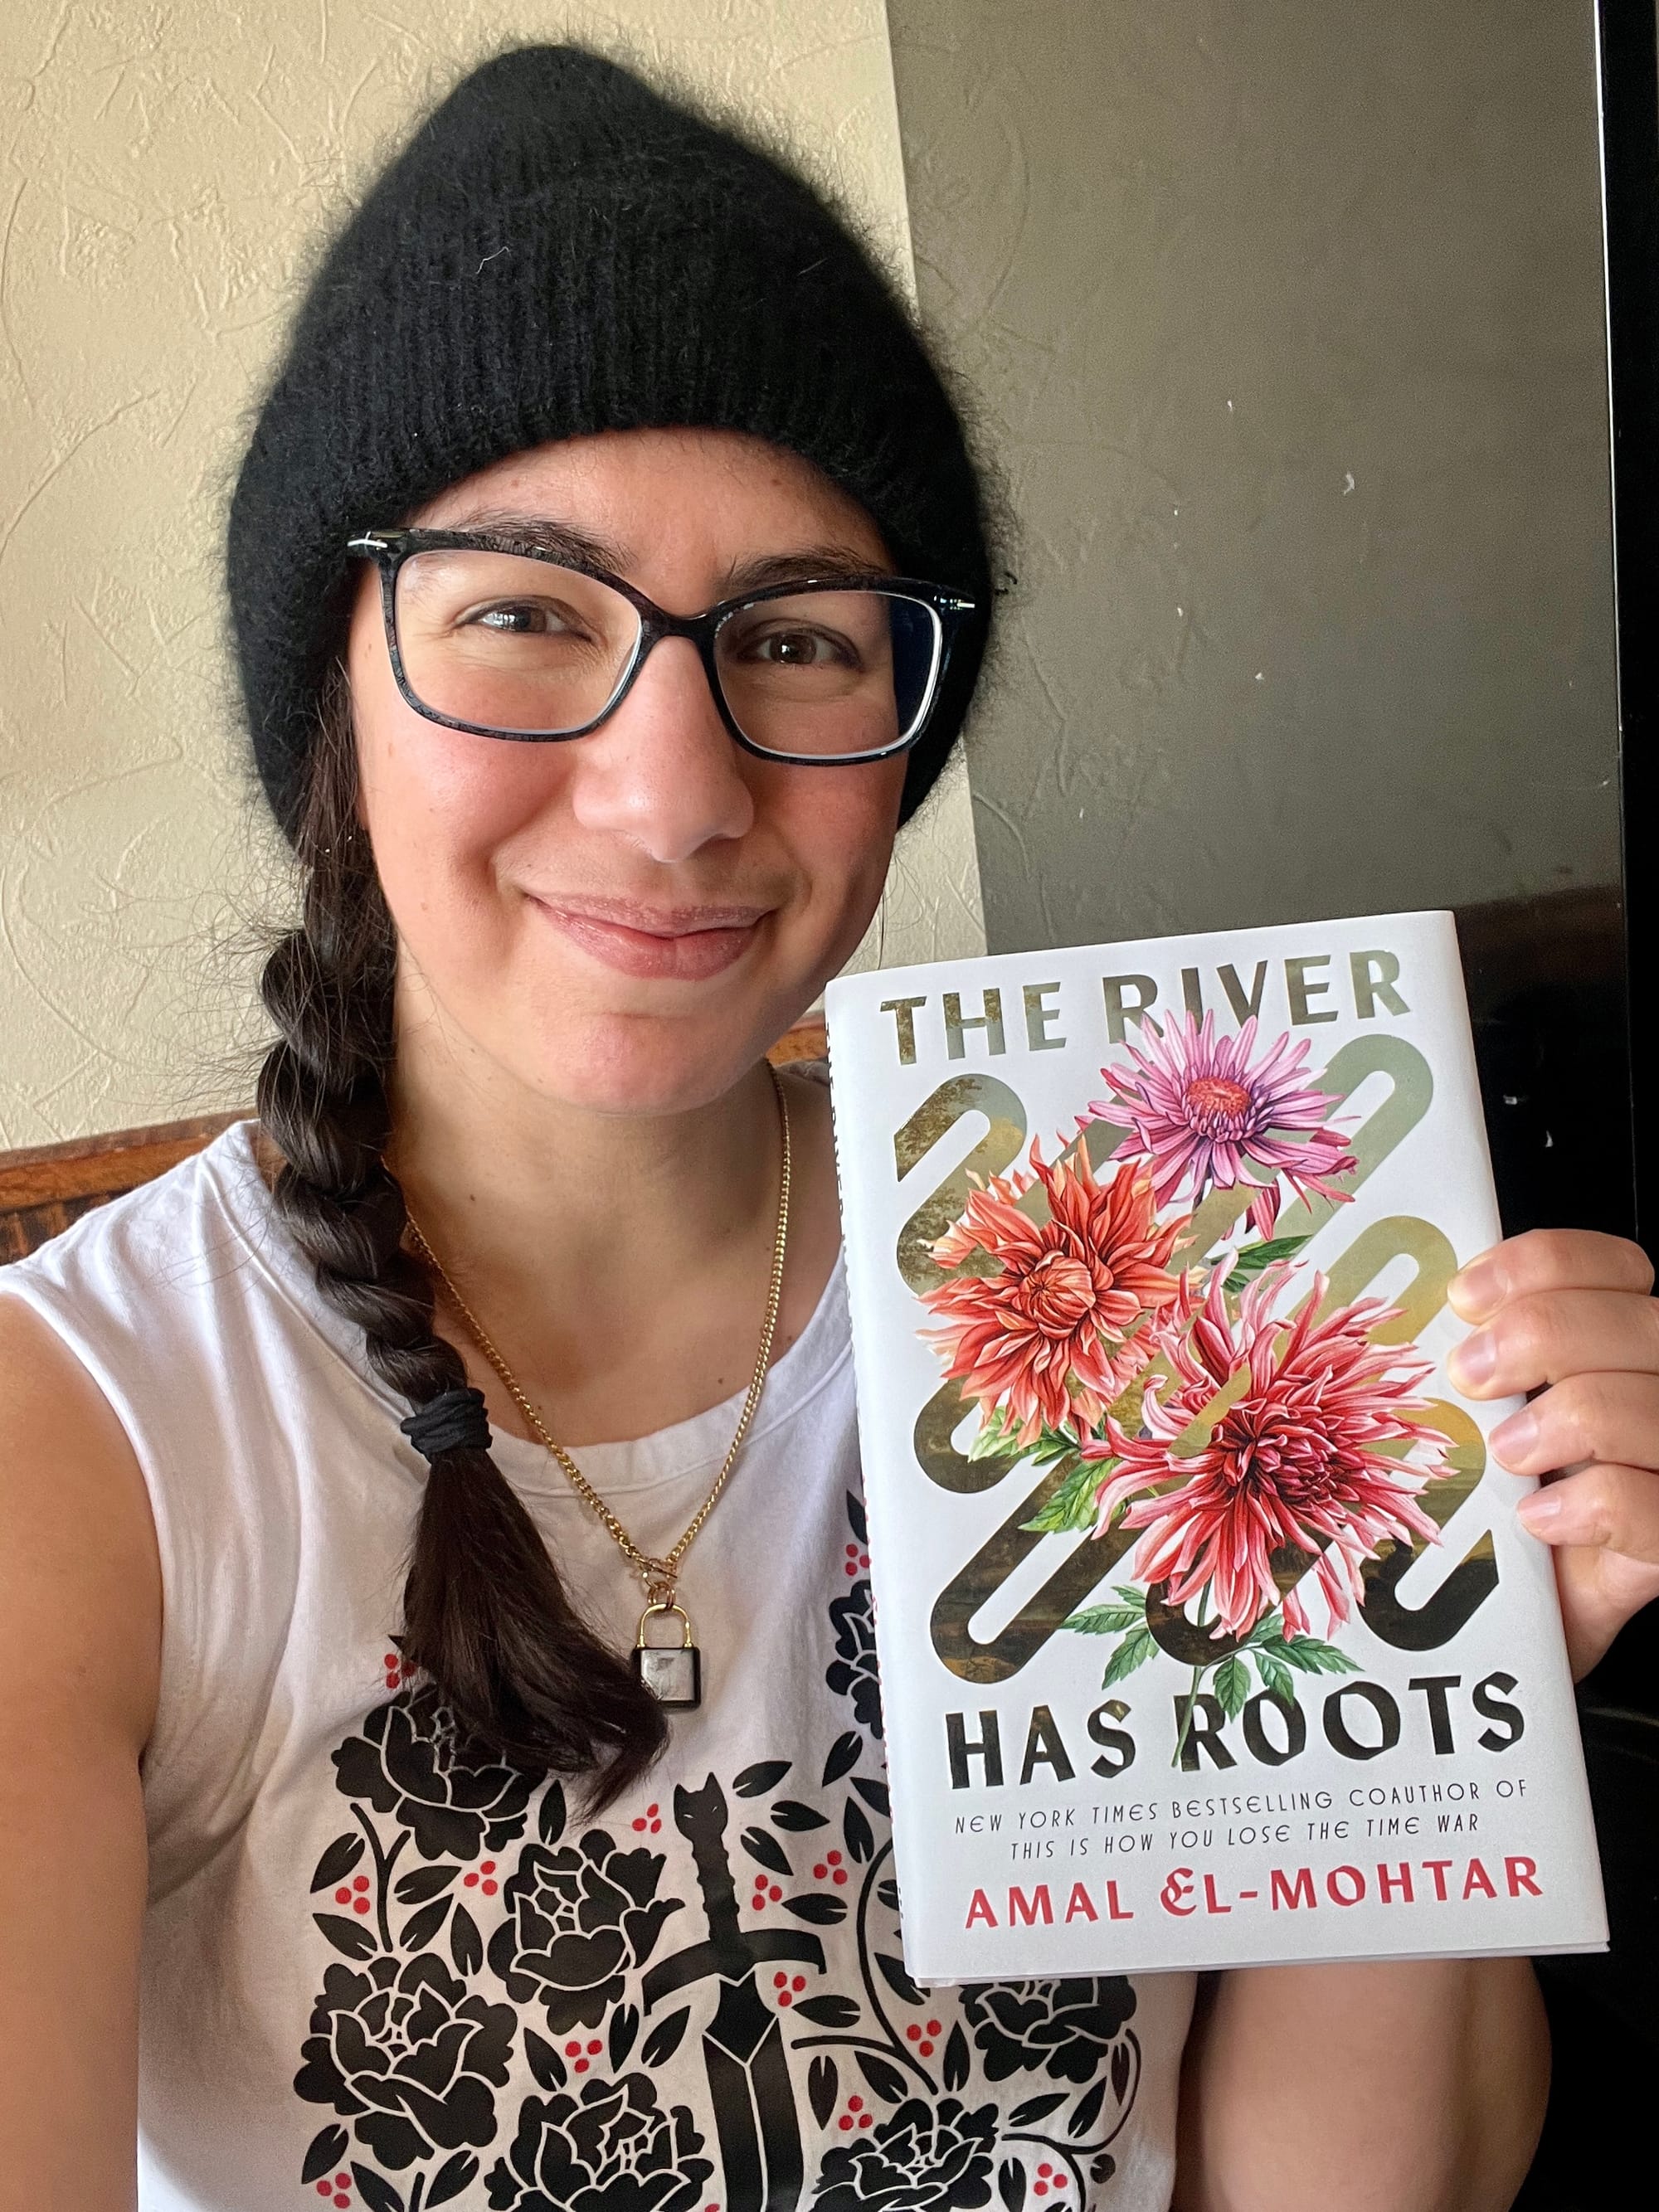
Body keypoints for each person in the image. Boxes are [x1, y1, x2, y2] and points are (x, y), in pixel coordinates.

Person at [0, 45, 1655, 2212]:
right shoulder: (84, 1453)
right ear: (335, 698)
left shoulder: (1147, 1278)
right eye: (520, 613)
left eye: (791, 635)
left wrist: (1459, 1680)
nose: (675, 790)